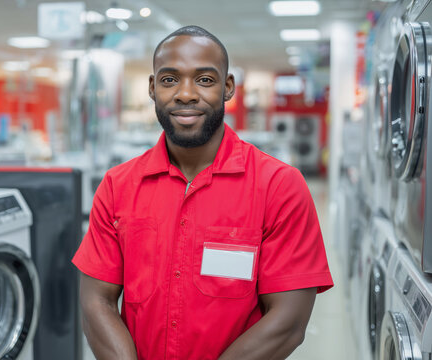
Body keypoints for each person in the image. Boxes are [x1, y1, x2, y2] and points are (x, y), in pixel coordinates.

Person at [72, 25, 333, 360]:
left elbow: (289, 322)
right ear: (152, 88)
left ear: (227, 88)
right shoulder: (118, 185)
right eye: (169, 80)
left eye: (205, 80)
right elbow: (97, 302)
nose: (185, 94)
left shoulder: (278, 186)